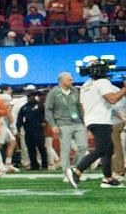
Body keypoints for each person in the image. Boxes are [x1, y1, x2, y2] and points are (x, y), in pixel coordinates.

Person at [67, 59, 125, 188]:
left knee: (108, 149)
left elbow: (82, 106)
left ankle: (108, 178)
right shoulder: (103, 82)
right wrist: (125, 89)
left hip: (91, 119)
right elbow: (112, 99)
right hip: (101, 119)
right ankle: (77, 171)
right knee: (102, 149)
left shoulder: (86, 85)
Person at [46, 73, 84, 170]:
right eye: (69, 80)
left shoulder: (75, 91)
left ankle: (76, 168)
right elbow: (48, 110)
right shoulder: (53, 93)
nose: (72, 82)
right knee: (65, 149)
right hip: (63, 123)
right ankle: (67, 172)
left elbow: (79, 106)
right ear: (62, 81)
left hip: (77, 122)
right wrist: (53, 125)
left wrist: (84, 120)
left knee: (83, 146)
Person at [18, 88, 46, 170]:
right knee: (30, 148)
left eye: (33, 96)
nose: (31, 97)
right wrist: (18, 127)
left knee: (41, 147)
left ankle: (44, 164)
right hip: (28, 130)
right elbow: (20, 118)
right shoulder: (24, 108)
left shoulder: (40, 106)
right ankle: (34, 164)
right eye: (29, 96)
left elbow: (46, 115)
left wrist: (44, 123)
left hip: (38, 129)